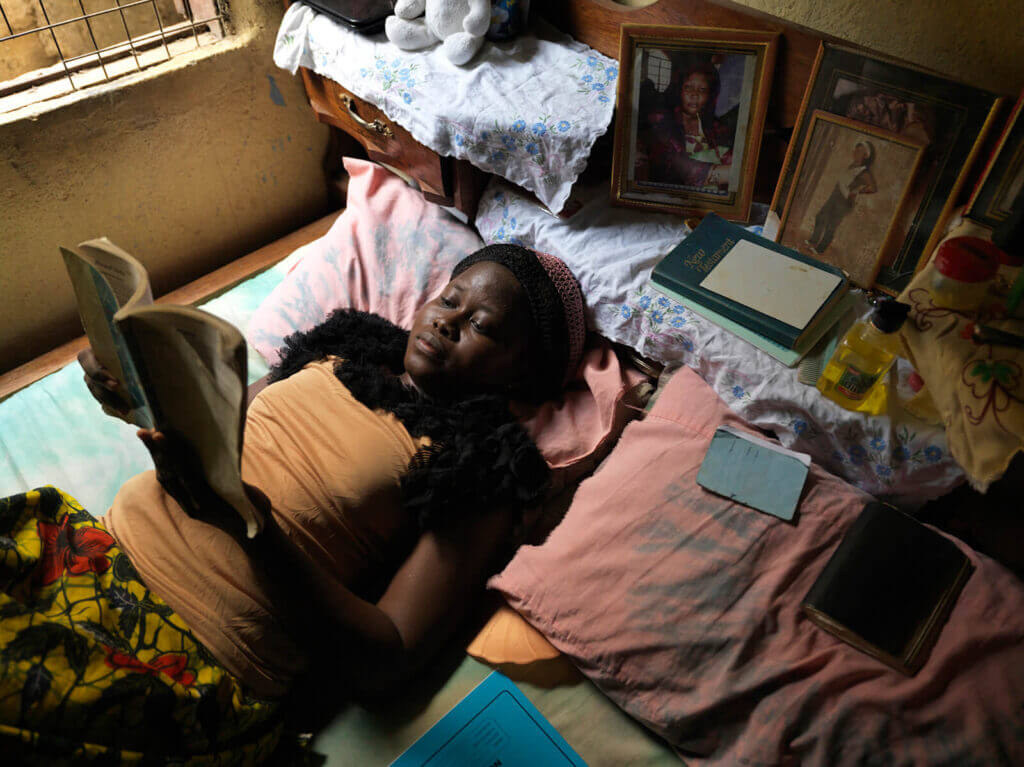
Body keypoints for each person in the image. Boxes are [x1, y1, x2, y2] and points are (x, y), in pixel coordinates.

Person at [0, 244, 586, 764]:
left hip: (179, 661)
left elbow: (391, 657)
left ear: (522, 374)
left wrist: (248, 526)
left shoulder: (481, 469)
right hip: (80, 555)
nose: (447, 321)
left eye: (481, 325)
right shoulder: (338, 352)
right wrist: (133, 392)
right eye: (449, 299)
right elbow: (208, 429)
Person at [636, 59, 735, 191]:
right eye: (688, 87)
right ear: (679, 90)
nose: (694, 95)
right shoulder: (661, 120)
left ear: (709, 96)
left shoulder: (712, 125)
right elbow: (681, 168)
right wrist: (730, 173)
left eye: (702, 90)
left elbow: (729, 155)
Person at [805, 140, 878, 256]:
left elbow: (873, 188)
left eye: (859, 151)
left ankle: (820, 249)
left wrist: (857, 191)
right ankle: (813, 241)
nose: (855, 152)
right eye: (856, 149)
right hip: (836, 195)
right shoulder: (852, 165)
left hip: (844, 201)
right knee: (820, 216)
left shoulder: (864, 172)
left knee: (831, 225)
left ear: (865, 155)